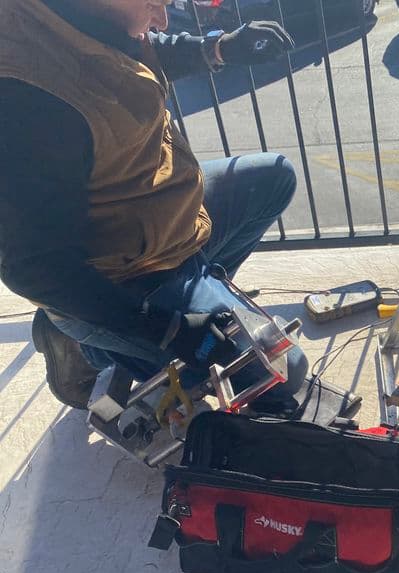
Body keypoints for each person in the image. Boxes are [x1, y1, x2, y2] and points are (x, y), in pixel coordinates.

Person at [0, 0, 310, 413]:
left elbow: (140, 50)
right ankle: (93, 346)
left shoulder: (88, 17)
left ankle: (197, 300)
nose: (162, 16)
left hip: (165, 218)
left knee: (275, 177)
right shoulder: (27, 97)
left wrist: (217, 49)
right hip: (123, 273)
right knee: (285, 371)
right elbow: (34, 267)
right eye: (154, 3)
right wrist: (168, 329)